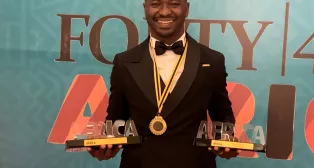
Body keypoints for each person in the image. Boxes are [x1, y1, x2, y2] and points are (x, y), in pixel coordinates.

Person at [88, 0, 240, 167]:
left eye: (174, 4)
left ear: (187, 9)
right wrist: (106, 147)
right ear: (145, 8)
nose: (165, 12)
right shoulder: (124, 62)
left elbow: (223, 116)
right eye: (155, 4)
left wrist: (226, 142)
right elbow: (117, 123)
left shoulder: (212, 61)